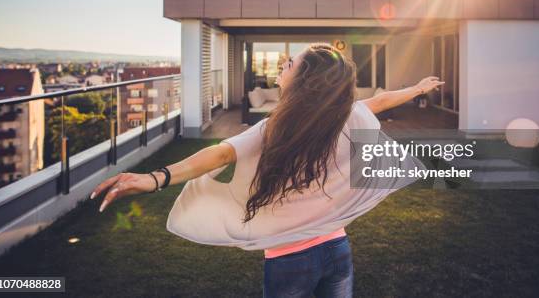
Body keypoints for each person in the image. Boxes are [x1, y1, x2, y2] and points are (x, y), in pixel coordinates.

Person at [91, 43, 444, 297]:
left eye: (290, 63)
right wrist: (417, 89)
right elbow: (379, 102)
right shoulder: (345, 116)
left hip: (290, 261)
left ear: (303, 79)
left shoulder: (275, 129)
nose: (283, 66)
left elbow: (220, 154)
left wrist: (155, 179)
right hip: (337, 250)